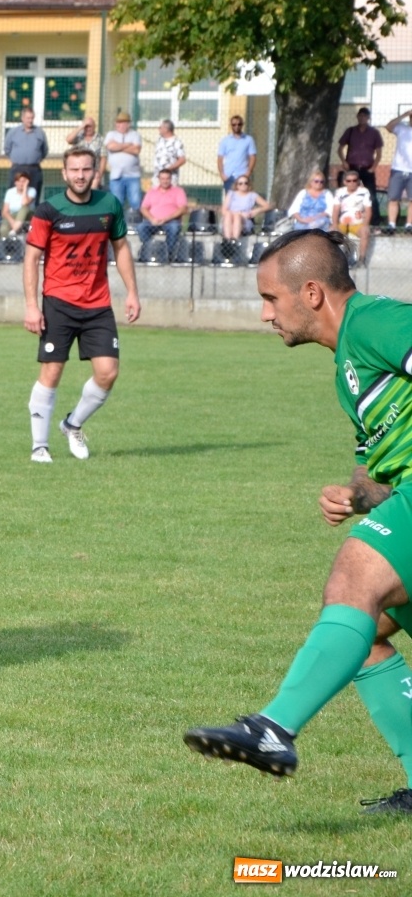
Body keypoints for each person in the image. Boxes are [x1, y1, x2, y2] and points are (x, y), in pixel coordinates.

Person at [183, 230, 412, 815]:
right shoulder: (347, 366)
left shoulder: (375, 322)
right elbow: (378, 468)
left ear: (311, 293)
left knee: (353, 583)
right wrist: (357, 494)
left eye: (270, 298)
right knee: (365, 633)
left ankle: (273, 729)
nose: (265, 314)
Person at [23, 147, 141, 464]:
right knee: (52, 371)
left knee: (108, 373)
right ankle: (39, 446)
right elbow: (31, 259)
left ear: (95, 172)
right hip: (58, 302)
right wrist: (32, 306)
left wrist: (132, 292)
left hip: (98, 304)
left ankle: (72, 424)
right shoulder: (48, 210)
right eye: (74, 170)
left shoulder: (109, 205)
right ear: (64, 173)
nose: (80, 175)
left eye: (86, 169)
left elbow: (121, 248)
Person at [338, 107, 384, 225]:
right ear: (357, 117)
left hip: (367, 168)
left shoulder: (374, 133)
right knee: (347, 193)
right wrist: (344, 162)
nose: (362, 118)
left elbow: (379, 153)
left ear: (368, 118)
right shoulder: (350, 131)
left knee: (371, 195)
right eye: (360, 115)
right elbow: (340, 149)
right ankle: (345, 219)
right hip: (352, 168)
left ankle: (375, 222)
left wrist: (373, 167)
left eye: (365, 116)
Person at [136, 168, 189, 263]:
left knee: (174, 228)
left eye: (167, 178)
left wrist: (166, 219)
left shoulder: (178, 191)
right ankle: (150, 249)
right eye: (163, 178)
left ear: (171, 179)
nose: (165, 181)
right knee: (141, 227)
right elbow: (143, 208)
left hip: (171, 221)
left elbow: (183, 209)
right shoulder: (151, 192)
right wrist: (152, 219)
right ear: (159, 179)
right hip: (153, 221)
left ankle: (168, 253)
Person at [3, 107, 49, 196]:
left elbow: (44, 150)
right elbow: (7, 149)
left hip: (34, 169)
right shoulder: (13, 132)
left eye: (32, 118)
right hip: (17, 169)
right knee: (15, 195)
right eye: (28, 118)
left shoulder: (40, 133)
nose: (30, 121)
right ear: (22, 118)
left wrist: (36, 158)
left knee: (34, 195)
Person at [103, 111, 144, 211]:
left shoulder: (135, 135)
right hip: (116, 175)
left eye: (122, 122)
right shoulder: (111, 134)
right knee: (117, 202)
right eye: (117, 122)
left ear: (128, 124)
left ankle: (134, 220)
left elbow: (136, 150)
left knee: (135, 201)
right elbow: (110, 147)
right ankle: (119, 220)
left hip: (133, 175)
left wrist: (118, 147)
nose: (118, 125)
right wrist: (128, 145)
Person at [220, 175, 270, 249]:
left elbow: (267, 205)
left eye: (245, 183)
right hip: (230, 218)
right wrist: (237, 213)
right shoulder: (231, 194)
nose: (243, 185)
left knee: (237, 217)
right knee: (229, 215)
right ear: (237, 185)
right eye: (240, 183)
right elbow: (223, 210)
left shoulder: (252, 195)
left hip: (244, 220)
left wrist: (256, 211)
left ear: (248, 184)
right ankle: (228, 241)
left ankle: (234, 242)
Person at [335, 170, 375, 264]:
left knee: (365, 232)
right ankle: (336, 260)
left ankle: (361, 260)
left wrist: (365, 225)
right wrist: (335, 224)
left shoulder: (364, 192)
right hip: (343, 222)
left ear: (358, 181)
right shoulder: (340, 192)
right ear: (344, 182)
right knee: (332, 232)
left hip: (357, 223)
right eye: (349, 181)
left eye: (354, 180)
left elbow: (368, 210)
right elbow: (335, 210)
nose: (352, 183)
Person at [384, 108, 412, 235]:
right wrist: (404, 115)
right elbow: (388, 127)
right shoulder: (401, 128)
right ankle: (391, 225)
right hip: (398, 169)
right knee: (393, 198)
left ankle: (409, 225)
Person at [217, 114, 258, 192]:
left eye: (239, 124)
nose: (236, 126)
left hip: (243, 175)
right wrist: (222, 174)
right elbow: (220, 158)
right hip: (229, 176)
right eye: (234, 124)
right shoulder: (225, 141)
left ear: (242, 125)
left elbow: (253, 157)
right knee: (230, 198)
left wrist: (248, 173)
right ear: (231, 125)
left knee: (243, 198)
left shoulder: (248, 140)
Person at [2, 170, 36, 237]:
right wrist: (13, 222)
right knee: (3, 229)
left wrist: (25, 188)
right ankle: (7, 241)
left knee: (24, 207)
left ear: (27, 182)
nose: (21, 184)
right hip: (13, 215)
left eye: (23, 181)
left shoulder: (32, 190)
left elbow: (24, 203)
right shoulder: (10, 192)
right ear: (15, 182)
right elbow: (5, 212)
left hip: (28, 215)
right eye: (19, 181)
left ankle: (14, 231)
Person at [152, 119, 186, 183]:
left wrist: (168, 170)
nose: (158, 129)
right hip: (157, 177)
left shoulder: (176, 142)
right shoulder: (159, 140)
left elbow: (182, 160)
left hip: (170, 178)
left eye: (160, 127)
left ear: (166, 129)